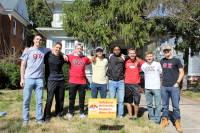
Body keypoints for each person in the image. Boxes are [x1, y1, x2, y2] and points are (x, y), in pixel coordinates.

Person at [20, 33, 50, 126]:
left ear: (42, 41)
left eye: (40, 40)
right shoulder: (28, 50)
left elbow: (55, 49)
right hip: (28, 78)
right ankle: (25, 119)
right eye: (37, 39)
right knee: (26, 100)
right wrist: (22, 78)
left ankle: (39, 119)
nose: (38, 41)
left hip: (39, 80)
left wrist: (63, 54)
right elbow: (23, 65)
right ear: (33, 40)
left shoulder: (44, 50)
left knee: (39, 101)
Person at [159, 44, 184, 133]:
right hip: (164, 87)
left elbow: (182, 72)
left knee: (176, 107)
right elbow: (160, 73)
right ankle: (165, 120)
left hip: (174, 87)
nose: (166, 52)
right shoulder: (161, 61)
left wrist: (177, 83)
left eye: (168, 51)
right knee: (165, 106)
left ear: (171, 51)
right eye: (164, 51)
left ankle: (177, 123)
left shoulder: (176, 60)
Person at [64, 41, 91, 119]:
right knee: (71, 98)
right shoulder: (70, 56)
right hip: (72, 81)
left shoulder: (85, 58)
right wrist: (64, 55)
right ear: (75, 49)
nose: (79, 50)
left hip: (82, 82)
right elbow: (63, 56)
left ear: (82, 50)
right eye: (78, 48)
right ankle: (70, 112)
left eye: (81, 49)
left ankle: (82, 112)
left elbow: (92, 60)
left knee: (82, 98)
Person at [43, 42, 65, 122]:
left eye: (59, 48)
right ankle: (46, 116)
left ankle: (59, 113)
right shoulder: (47, 55)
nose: (58, 49)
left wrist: (64, 54)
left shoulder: (61, 56)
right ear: (53, 47)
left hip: (61, 80)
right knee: (49, 98)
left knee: (60, 99)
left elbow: (67, 57)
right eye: (57, 47)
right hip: (51, 80)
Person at [141, 51, 162, 124]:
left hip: (156, 87)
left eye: (150, 56)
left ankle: (157, 119)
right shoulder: (143, 65)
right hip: (147, 88)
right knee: (149, 104)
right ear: (145, 58)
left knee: (158, 105)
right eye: (147, 56)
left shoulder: (157, 64)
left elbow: (161, 73)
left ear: (153, 57)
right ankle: (152, 118)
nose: (149, 58)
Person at [124, 48, 144, 120]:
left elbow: (145, 64)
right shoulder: (126, 61)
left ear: (135, 54)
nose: (132, 54)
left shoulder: (139, 61)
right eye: (130, 53)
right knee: (128, 101)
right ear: (128, 54)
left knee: (136, 101)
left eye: (133, 53)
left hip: (136, 84)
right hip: (127, 84)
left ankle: (135, 115)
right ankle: (130, 115)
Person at [107, 45, 125, 118]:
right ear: (113, 50)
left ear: (120, 51)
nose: (116, 51)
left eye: (118, 49)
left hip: (121, 82)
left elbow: (132, 56)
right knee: (112, 99)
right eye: (115, 49)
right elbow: (98, 54)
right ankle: (112, 114)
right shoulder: (109, 56)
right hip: (112, 82)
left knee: (121, 100)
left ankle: (120, 115)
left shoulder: (124, 57)